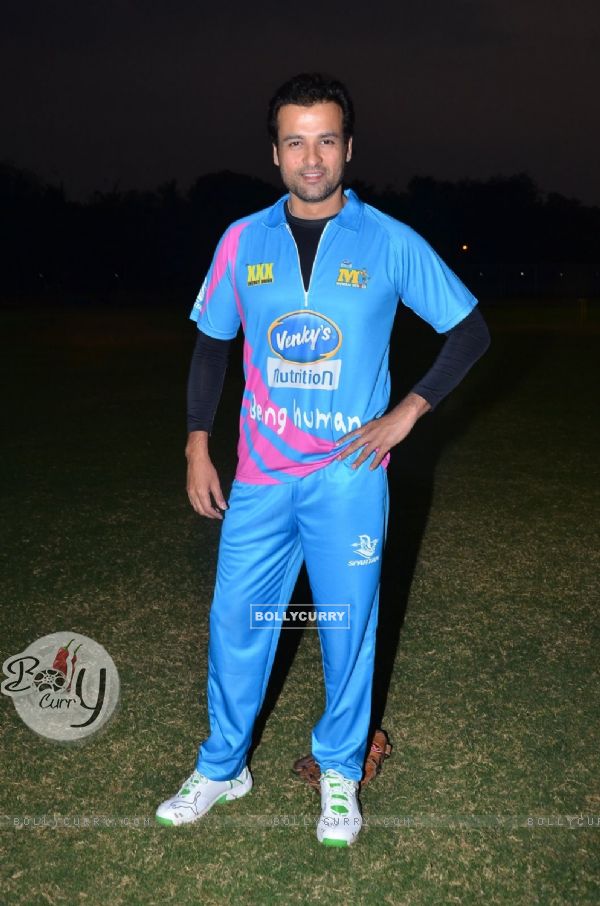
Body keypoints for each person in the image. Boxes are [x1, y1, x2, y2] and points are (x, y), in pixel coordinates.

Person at [156, 72, 490, 845]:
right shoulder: (243, 240)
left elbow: (469, 330)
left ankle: (340, 772)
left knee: (348, 628)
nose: (313, 158)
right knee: (237, 620)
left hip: (349, 479)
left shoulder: (389, 241)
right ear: (275, 153)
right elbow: (213, 343)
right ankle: (222, 766)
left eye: (327, 140)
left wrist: (408, 412)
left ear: (349, 149)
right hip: (262, 476)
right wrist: (197, 440)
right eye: (296, 141)